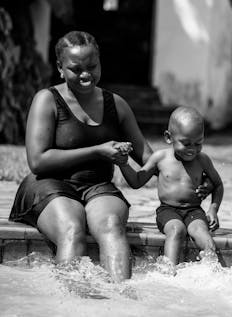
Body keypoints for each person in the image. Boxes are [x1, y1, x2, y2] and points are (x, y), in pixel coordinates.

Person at [8, 30, 157, 282]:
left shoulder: (116, 104)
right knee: (72, 228)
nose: (86, 74)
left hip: (96, 186)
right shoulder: (47, 100)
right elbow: (38, 161)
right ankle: (71, 303)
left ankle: (124, 300)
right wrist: (97, 150)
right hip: (49, 185)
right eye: (76, 69)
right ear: (60, 68)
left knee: (111, 225)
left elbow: (149, 159)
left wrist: (187, 167)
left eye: (92, 66)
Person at [118, 106, 224, 266]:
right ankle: (169, 271)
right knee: (176, 229)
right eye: (186, 143)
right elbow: (136, 182)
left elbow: (218, 185)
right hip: (167, 210)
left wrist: (213, 210)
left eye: (198, 143)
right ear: (169, 137)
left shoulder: (202, 160)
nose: (193, 149)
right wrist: (123, 164)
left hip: (194, 210)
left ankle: (213, 270)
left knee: (201, 232)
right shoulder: (160, 158)